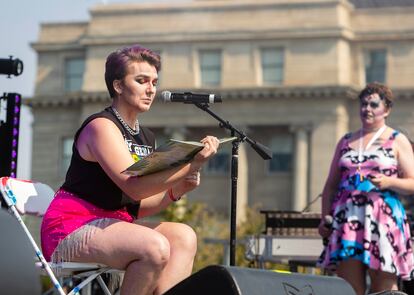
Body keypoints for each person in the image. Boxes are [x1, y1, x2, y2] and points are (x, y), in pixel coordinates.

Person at [40, 44, 220, 295]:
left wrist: (178, 189)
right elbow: (133, 187)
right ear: (118, 86)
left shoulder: (146, 136)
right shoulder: (101, 126)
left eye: (154, 82)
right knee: (153, 247)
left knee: (183, 237)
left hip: (115, 224)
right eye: (141, 80)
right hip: (71, 228)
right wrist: (193, 162)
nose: (151, 89)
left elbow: (136, 206)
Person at [317, 82, 414, 295]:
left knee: (384, 289)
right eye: (363, 104)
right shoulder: (346, 140)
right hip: (348, 220)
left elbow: (412, 182)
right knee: (349, 289)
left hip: (382, 219)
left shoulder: (397, 140)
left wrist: (390, 182)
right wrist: (325, 217)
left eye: (373, 104)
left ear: (386, 109)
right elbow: (331, 185)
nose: (366, 109)